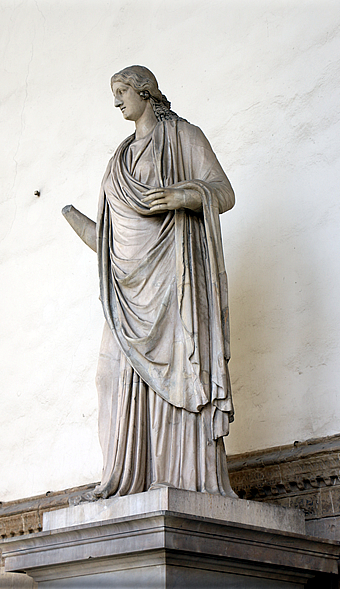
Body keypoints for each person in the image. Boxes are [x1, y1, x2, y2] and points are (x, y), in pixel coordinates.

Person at [63, 65, 236, 500]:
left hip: (174, 280)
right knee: (110, 376)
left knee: (178, 370)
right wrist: (72, 217)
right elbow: (108, 238)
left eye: (122, 91)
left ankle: (181, 477)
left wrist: (185, 195)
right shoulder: (117, 160)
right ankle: (125, 478)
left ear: (145, 92)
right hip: (127, 290)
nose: (117, 100)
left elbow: (224, 192)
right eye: (114, 92)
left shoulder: (184, 137)